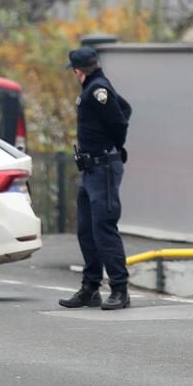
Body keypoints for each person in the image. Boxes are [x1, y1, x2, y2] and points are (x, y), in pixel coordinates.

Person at [57, 47, 134, 311]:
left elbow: (120, 121)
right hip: (91, 170)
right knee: (86, 229)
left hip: (103, 169)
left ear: (78, 71)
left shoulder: (98, 89)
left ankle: (120, 288)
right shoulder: (95, 87)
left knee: (104, 228)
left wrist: (111, 146)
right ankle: (90, 288)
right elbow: (125, 107)